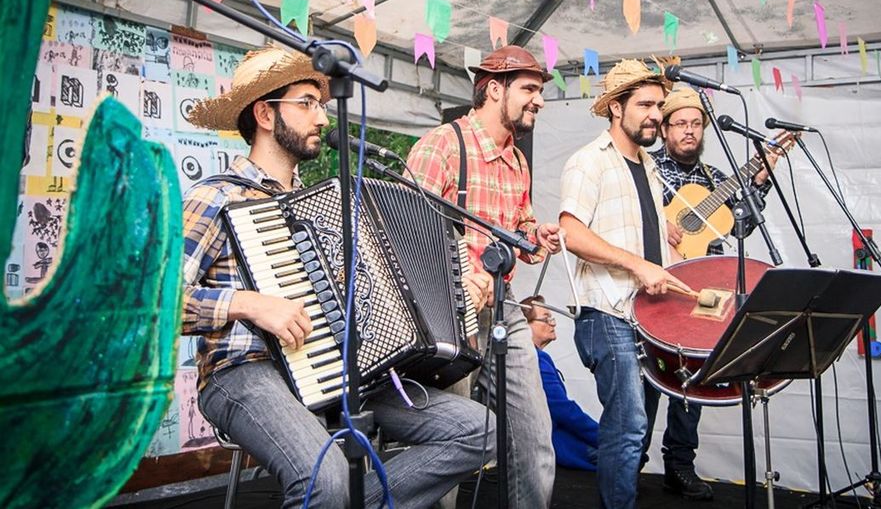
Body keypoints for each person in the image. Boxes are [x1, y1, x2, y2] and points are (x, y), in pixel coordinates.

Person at [181, 45, 493, 509]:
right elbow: (149, 300)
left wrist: (459, 296)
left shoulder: (325, 207)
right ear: (266, 114)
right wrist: (246, 303)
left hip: (339, 368)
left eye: (321, 105)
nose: (323, 118)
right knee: (324, 480)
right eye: (306, 103)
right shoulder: (216, 196)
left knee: (479, 431)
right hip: (243, 371)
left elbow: (378, 298)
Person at [406, 45, 563, 508]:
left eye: (539, 90)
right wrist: (461, 278)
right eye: (530, 89)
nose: (539, 100)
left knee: (535, 435)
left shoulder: (518, 160)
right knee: (451, 452)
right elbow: (403, 232)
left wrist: (537, 235)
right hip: (449, 311)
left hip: (503, 307)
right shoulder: (443, 145)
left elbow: (519, 228)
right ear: (495, 89)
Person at [558, 58, 698, 509]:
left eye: (659, 105)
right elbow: (570, 234)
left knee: (636, 423)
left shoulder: (651, 169)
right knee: (629, 423)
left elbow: (657, 246)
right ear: (616, 108)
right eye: (644, 104)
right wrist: (638, 266)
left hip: (648, 314)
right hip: (606, 312)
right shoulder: (588, 162)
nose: (656, 114)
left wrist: (694, 287)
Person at [653, 85, 774, 257]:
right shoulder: (647, 166)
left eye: (696, 124)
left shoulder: (715, 178)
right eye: (681, 124)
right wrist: (657, 225)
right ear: (664, 130)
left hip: (708, 273)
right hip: (659, 271)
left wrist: (758, 183)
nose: (689, 131)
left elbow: (742, 228)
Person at [520, 295, 599, 472]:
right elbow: (562, 410)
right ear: (524, 326)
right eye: (546, 318)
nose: (553, 323)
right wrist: (604, 437)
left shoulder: (529, 357)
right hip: (557, 446)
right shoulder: (536, 359)